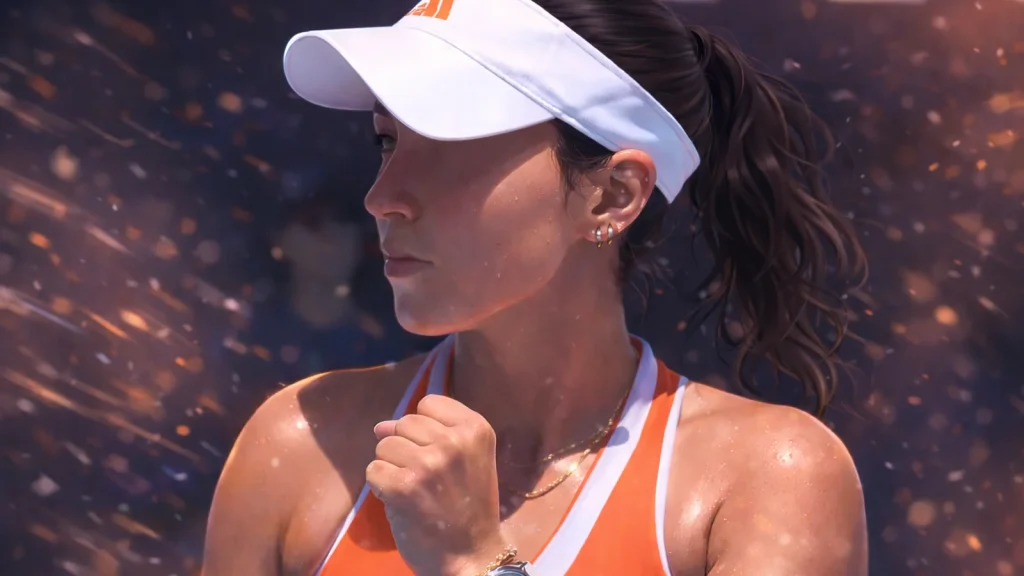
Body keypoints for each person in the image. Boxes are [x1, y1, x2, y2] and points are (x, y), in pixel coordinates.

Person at [203, 0, 870, 574]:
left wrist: (479, 561)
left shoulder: (769, 476)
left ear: (613, 195)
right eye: (387, 142)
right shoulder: (296, 442)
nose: (382, 198)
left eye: (446, 139)